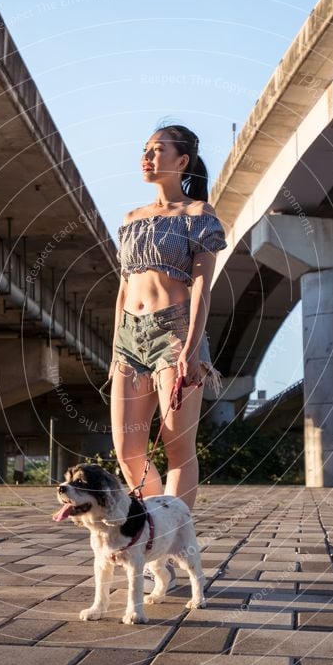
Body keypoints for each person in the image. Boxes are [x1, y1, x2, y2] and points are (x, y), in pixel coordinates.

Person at [98, 122, 227, 592]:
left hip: (175, 335)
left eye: (157, 150)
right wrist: (116, 347)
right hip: (129, 340)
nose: (147, 157)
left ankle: (175, 545)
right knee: (128, 450)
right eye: (145, 150)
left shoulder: (199, 214)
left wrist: (191, 352)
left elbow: (201, 289)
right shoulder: (131, 217)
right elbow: (122, 288)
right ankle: (156, 543)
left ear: (182, 162)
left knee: (177, 450)